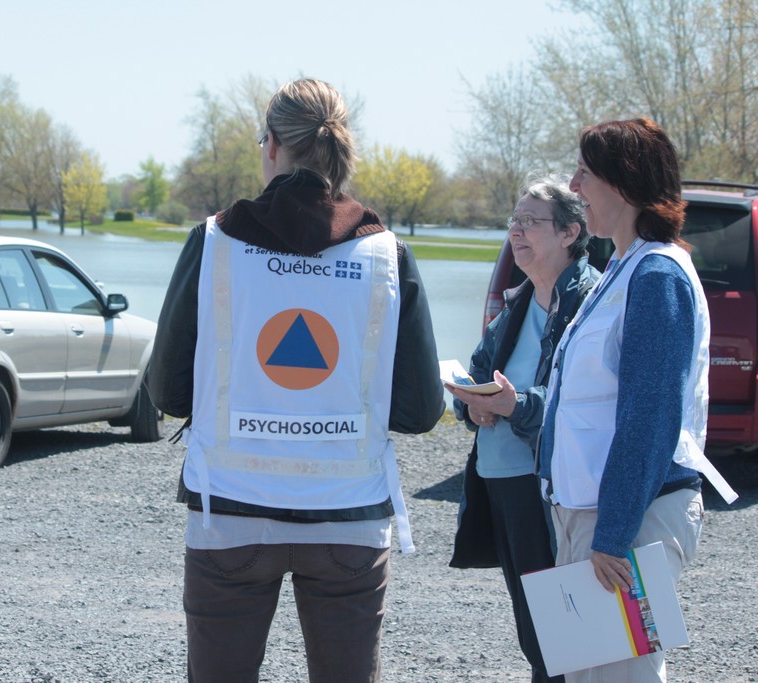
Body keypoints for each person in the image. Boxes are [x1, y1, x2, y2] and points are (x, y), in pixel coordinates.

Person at [147, 78, 443, 682]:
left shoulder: (214, 244)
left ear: (274, 146)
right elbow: (418, 411)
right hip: (349, 515)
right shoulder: (388, 254)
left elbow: (170, 392)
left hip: (230, 510)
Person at [538, 118, 733, 682]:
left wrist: (614, 535)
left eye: (584, 173)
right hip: (596, 516)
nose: (574, 186)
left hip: (629, 523)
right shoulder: (621, 267)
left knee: (622, 676)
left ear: (621, 185)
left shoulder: (656, 276)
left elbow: (649, 415)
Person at [448, 175, 598, 683]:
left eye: (530, 221)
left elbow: (584, 405)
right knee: (537, 635)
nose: (517, 231)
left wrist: (518, 406)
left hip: (553, 485)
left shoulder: (590, 302)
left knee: (571, 634)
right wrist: (474, 407)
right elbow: (473, 375)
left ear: (570, 233)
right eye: (514, 221)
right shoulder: (515, 304)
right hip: (503, 481)